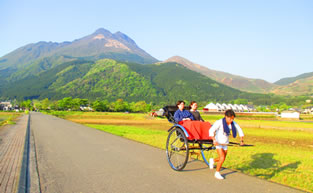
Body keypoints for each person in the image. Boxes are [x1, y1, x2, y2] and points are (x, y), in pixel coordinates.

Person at [209, 109, 244, 180]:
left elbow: (240, 131)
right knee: (222, 157)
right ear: (226, 116)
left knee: (223, 157)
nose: (231, 120)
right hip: (218, 142)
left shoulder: (233, 123)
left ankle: (212, 160)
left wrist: (241, 140)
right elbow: (211, 130)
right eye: (230, 118)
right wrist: (214, 140)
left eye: (232, 118)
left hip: (225, 143)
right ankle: (217, 173)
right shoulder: (219, 122)